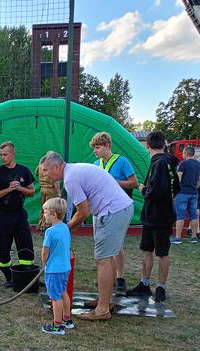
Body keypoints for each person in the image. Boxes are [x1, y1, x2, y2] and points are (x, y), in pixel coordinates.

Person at [40, 152, 133, 321]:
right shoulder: (74, 170)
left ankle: (103, 310)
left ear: (57, 166)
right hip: (117, 209)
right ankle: (106, 300)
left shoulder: (70, 179)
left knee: (103, 259)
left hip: (113, 211)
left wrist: (64, 228)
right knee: (109, 257)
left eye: (46, 170)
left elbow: (83, 212)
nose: (45, 174)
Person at [126, 130, 179, 302]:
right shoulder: (168, 162)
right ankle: (144, 284)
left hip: (158, 215)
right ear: (164, 144)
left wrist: (142, 189)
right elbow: (176, 187)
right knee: (147, 249)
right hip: (156, 214)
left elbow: (154, 191)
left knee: (161, 252)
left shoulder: (159, 163)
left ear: (148, 145)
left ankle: (161, 287)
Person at [90, 131, 138, 292]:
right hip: (101, 209)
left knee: (116, 245)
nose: (95, 151)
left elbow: (134, 183)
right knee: (103, 243)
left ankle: (120, 277)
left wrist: (114, 183)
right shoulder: (96, 164)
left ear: (107, 146)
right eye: (94, 148)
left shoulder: (121, 161)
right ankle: (106, 276)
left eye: (98, 147)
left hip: (117, 209)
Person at [0, 141, 36, 288]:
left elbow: (32, 191)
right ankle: (9, 277)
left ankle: (27, 276)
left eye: (5, 155)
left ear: (13, 154)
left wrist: (20, 188)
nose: (2, 157)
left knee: (26, 246)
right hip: (4, 215)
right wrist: (8, 190)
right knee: (3, 246)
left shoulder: (24, 171)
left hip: (20, 214)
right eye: (1, 155)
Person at [40, 198, 74, 335]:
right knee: (63, 292)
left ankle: (57, 326)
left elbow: (45, 251)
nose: (44, 215)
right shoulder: (66, 227)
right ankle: (67, 319)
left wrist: (44, 262)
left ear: (54, 214)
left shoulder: (50, 231)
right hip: (65, 267)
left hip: (54, 269)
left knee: (55, 297)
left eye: (45, 212)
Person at [172, 146, 200, 244]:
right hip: (193, 192)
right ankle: (193, 237)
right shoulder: (199, 165)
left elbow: (179, 177)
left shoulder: (183, 163)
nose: (182, 155)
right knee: (194, 215)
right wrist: (195, 187)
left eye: (183, 153)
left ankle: (178, 237)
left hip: (182, 192)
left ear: (186, 153)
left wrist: (176, 189)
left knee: (180, 215)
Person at [35, 153, 62, 232]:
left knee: (43, 208)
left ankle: (40, 225)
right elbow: (56, 183)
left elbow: (36, 173)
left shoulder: (40, 166)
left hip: (43, 189)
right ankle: (46, 226)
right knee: (50, 208)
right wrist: (59, 193)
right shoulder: (52, 168)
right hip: (51, 190)